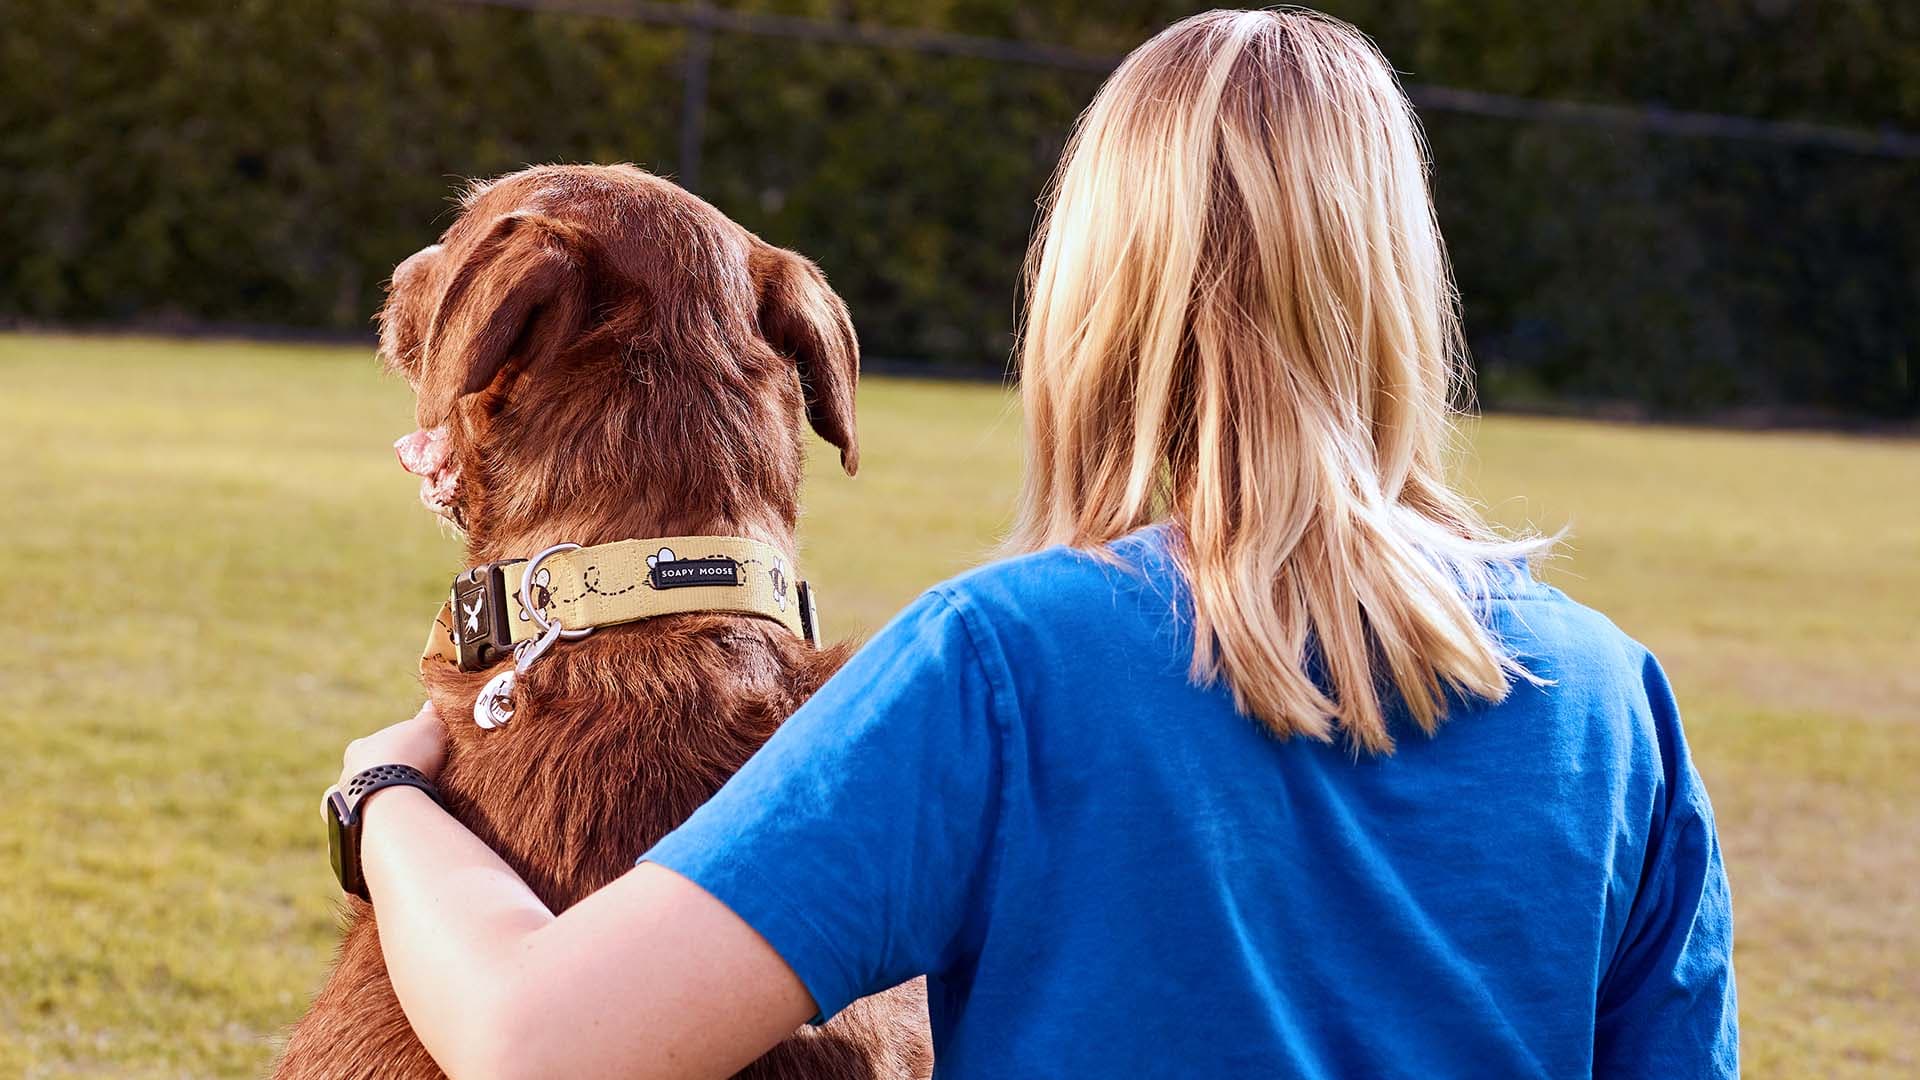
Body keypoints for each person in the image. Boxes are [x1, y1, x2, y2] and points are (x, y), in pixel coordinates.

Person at [334, 9, 1737, 1078]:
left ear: (1090, 293)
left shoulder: (1000, 666)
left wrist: (386, 798)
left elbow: (540, 1046)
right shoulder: (1612, 704)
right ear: (1399, 295)